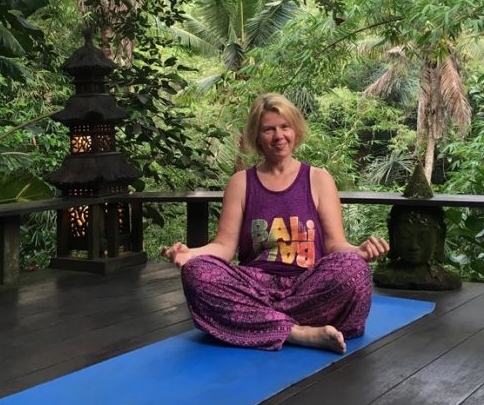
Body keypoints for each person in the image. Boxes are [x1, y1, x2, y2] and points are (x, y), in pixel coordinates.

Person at [162, 93, 389, 353]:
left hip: (308, 285)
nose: (278, 136)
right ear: (257, 137)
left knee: (355, 269)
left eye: (285, 127)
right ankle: (297, 332)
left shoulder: (319, 179)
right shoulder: (240, 183)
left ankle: (254, 321)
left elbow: (335, 245)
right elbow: (223, 247)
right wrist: (191, 254)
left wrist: (358, 251)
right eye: (268, 129)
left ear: (296, 130)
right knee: (196, 273)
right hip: (255, 286)